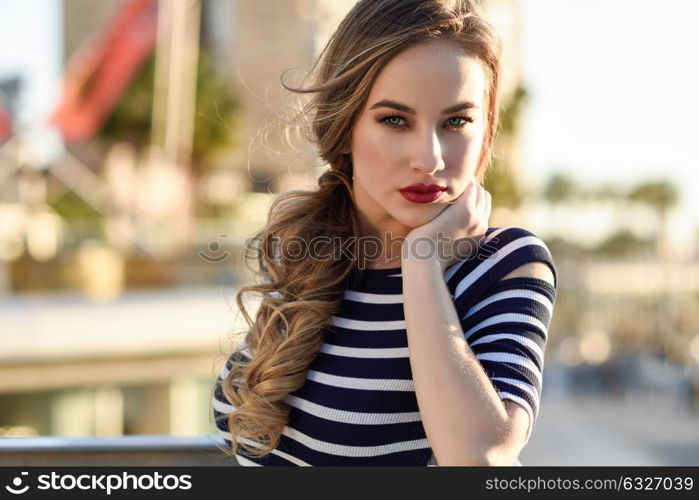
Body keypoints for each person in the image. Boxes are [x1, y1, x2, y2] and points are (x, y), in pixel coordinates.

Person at [211, 0, 557, 466]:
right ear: (345, 124)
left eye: (456, 121)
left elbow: (478, 460)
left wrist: (422, 262)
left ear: (486, 131)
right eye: (395, 120)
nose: (430, 158)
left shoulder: (505, 264)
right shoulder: (312, 250)